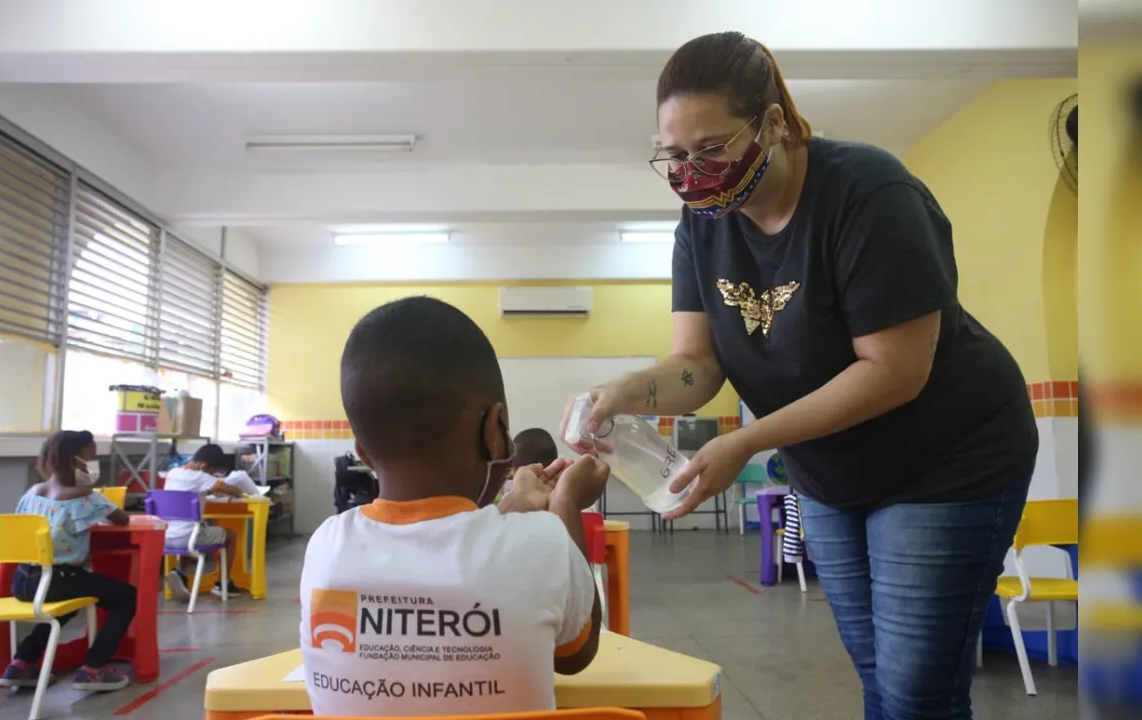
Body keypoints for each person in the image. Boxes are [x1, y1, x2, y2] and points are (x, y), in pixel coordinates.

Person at [562, 32, 1038, 719]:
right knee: (877, 676)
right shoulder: (701, 224)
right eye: (673, 156)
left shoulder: (867, 192)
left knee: (915, 692)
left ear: (774, 123)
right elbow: (696, 364)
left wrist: (746, 443)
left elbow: (892, 373)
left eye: (711, 149)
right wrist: (624, 392)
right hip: (830, 474)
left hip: (947, 460)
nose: (692, 173)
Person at [301, 296, 609, 716]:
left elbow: (447, 551)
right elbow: (574, 654)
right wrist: (566, 503)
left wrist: (512, 510)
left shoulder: (325, 549)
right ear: (494, 431)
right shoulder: (543, 544)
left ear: (364, 453)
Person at [0, 431, 136, 692]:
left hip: (23, 580)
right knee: (127, 596)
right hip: (59, 580)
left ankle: (20, 663)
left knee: (65, 607)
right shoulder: (84, 496)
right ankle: (92, 669)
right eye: (91, 457)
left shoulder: (31, 493)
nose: (92, 464)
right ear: (77, 460)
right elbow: (122, 519)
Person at [161, 444, 251, 601]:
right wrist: (239, 491)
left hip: (167, 537)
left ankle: (180, 574)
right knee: (230, 536)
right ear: (204, 466)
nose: (213, 475)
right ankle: (223, 583)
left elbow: (203, 488)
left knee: (190, 528)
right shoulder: (201, 477)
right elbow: (232, 490)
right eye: (212, 471)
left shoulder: (173, 473)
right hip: (189, 538)